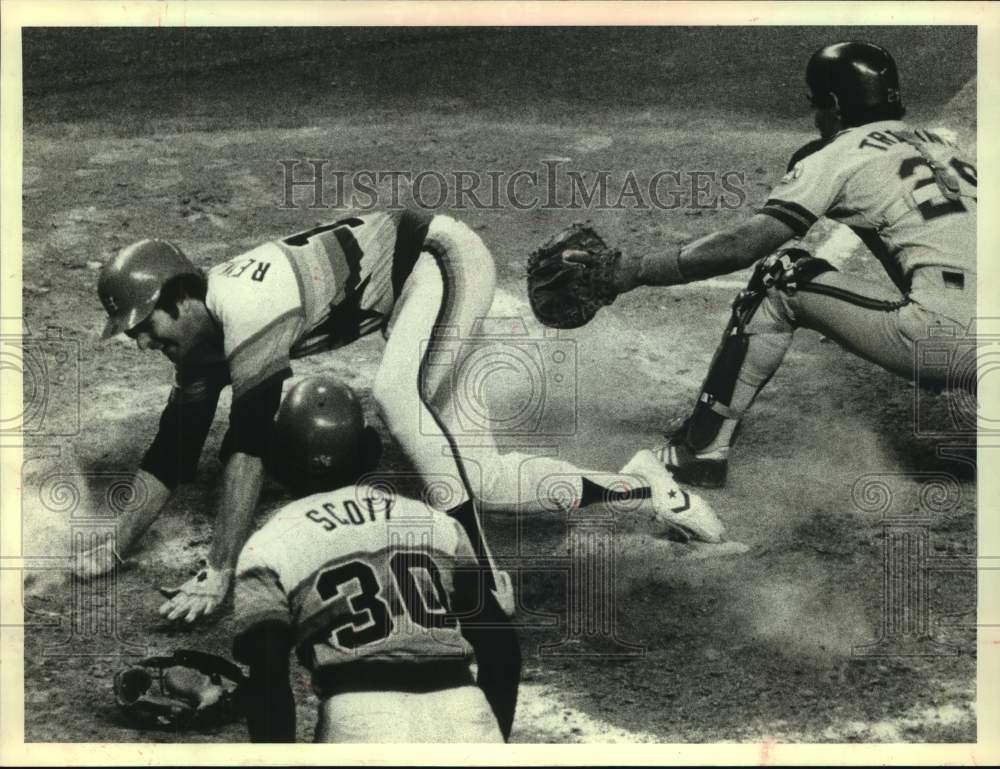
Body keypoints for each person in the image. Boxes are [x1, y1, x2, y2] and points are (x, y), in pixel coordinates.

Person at [88, 208, 728, 622]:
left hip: (440, 259)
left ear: (180, 297)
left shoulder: (246, 305)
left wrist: (220, 566)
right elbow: (174, 449)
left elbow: (248, 443)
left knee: (398, 397)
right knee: (483, 482)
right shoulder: (198, 339)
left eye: (144, 325)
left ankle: (480, 567)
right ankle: (644, 486)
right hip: (411, 305)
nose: (140, 342)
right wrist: (114, 547)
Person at [574, 41, 976, 487]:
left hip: (950, 342)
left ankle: (699, 452)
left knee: (779, 275)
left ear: (835, 105)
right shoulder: (951, 153)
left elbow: (741, 247)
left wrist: (634, 270)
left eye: (816, 106)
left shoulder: (837, 156)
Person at [232, 375, 520, 743]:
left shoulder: (268, 545)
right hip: (466, 715)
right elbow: (502, 655)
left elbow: (269, 683)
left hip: (360, 722)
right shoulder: (439, 525)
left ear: (279, 459)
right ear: (368, 451)